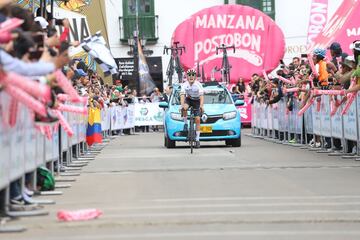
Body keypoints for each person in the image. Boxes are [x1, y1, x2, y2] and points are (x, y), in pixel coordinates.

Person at [180, 69, 204, 148]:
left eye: (192, 75)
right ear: (187, 77)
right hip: (189, 99)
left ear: (195, 77)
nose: (191, 77)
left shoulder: (198, 84)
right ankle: (186, 124)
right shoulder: (184, 84)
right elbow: (182, 95)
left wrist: (201, 106)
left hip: (197, 101)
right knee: (184, 108)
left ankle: (197, 139)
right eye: (189, 75)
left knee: (197, 119)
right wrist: (182, 105)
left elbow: (201, 96)